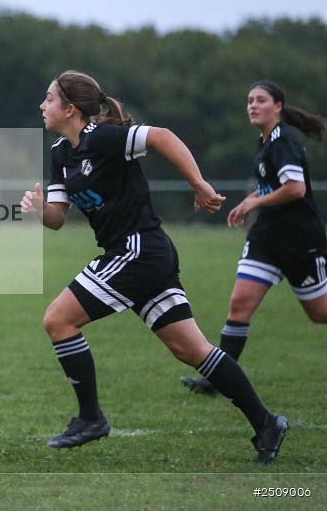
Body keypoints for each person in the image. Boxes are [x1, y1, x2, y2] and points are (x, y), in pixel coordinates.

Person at [21, 70, 288, 463]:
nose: (42, 106)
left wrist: (198, 183)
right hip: (141, 253)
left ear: (70, 108)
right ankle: (267, 423)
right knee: (190, 349)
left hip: (138, 250)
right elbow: (58, 218)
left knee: (58, 319)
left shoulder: (104, 138)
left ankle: (91, 418)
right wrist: (40, 210)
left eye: (48, 99)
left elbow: (161, 136)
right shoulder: (61, 153)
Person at [181, 80, 326, 396]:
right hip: (267, 239)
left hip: (300, 241)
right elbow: (272, 187)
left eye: (261, 100)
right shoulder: (265, 141)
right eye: (249, 100)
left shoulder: (283, 141)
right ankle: (219, 380)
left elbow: (296, 189)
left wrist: (253, 202)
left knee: (320, 314)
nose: (253, 105)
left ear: (278, 107)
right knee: (239, 305)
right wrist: (251, 199)